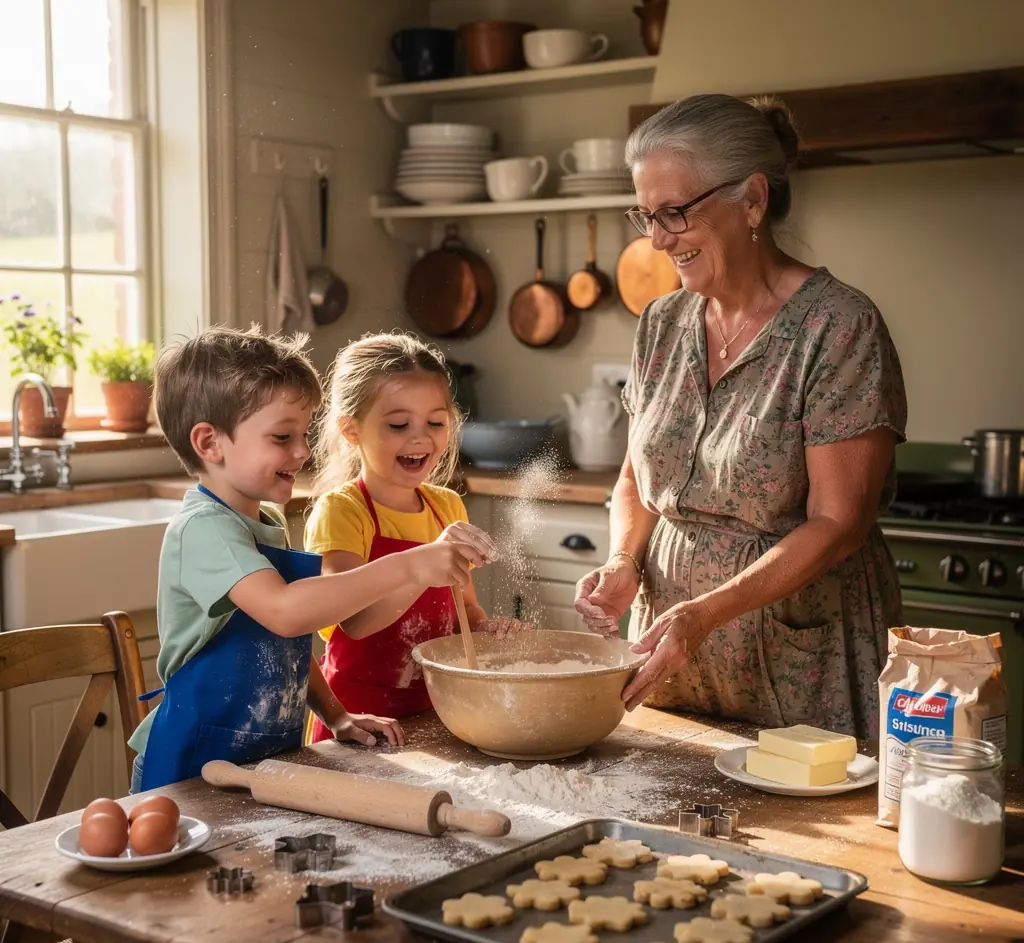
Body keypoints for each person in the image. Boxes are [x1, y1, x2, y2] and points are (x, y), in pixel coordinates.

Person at [575, 94, 907, 738]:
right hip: (671, 652)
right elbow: (636, 479)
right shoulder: (660, 323)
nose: (656, 239)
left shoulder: (838, 326)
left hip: (799, 656)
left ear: (752, 200)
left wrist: (705, 614)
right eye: (646, 215)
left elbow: (839, 523)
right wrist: (622, 562)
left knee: (810, 803)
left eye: (674, 212)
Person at [129, 326, 493, 791]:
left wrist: (337, 716)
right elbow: (285, 614)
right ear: (209, 443)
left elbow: (286, 650)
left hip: (263, 757)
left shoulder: (265, 523)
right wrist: (410, 566)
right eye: (282, 436)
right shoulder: (204, 529)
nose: (302, 451)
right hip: (190, 764)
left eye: (302, 434)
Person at [303, 333, 519, 733]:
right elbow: (356, 622)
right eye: (399, 424)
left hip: (436, 709)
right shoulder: (342, 511)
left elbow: (462, 609)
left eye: (436, 422)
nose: (420, 437)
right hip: (359, 719)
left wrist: (482, 628)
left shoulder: (447, 507)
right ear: (351, 430)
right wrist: (421, 565)